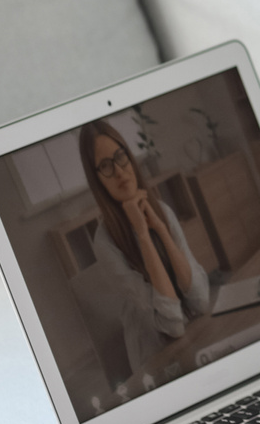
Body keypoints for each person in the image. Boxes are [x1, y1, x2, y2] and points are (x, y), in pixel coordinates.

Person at [80, 119, 210, 376]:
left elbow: (201, 300)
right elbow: (172, 325)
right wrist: (142, 233)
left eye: (121, 157)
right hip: (157, 360)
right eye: (106, 165)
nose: (119, 171)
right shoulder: (104, 244)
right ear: (97, 180)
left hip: (196, 337)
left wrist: (159, 228)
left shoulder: (163, 212)